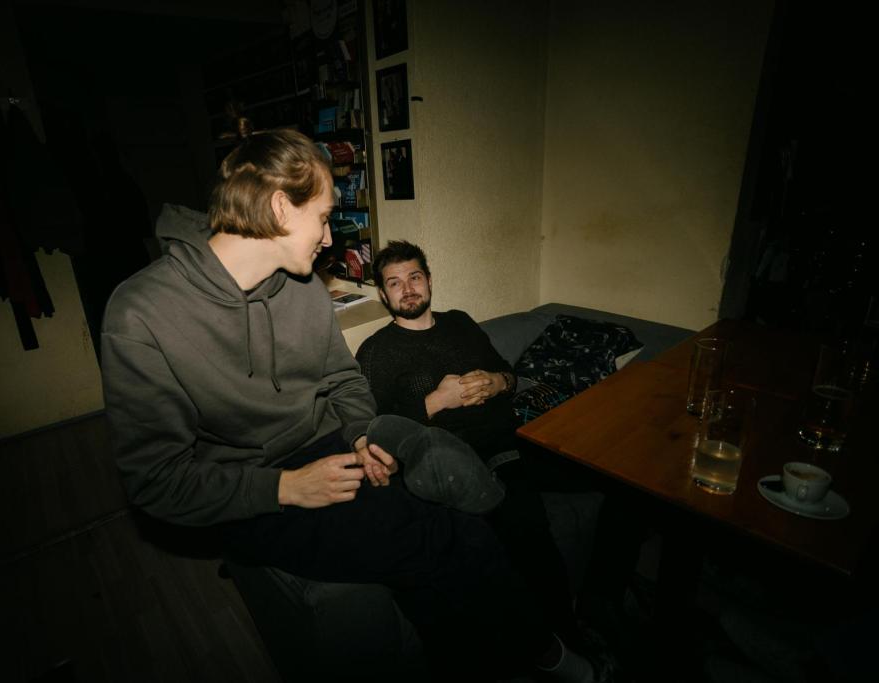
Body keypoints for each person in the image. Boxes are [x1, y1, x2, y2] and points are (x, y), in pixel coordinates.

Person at [100, 130, 599, 682]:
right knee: (441, 541)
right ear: (279, 207)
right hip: (255, 488)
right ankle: (547, 654)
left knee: (454, 532)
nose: (328, 236)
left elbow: (342, 379)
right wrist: (286, 487)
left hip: (335, 448)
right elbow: (155, 482)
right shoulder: (141, 312)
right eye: (323, 217)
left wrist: (364, 434)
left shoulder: (303, 287)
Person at [356, 240, 589, 650]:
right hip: (456, 463)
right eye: (394, 282)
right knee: (525, 528)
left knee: (620, 483)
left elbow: (507, 374)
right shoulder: (376, 351)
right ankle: (563, 646)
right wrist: (436, 401)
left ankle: (591, 615)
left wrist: (498, 382)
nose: (407, 289)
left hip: (512, 439)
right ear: (382, 293)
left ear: (429, 280)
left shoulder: (460, 322)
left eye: (414, 277)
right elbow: (378, 429)